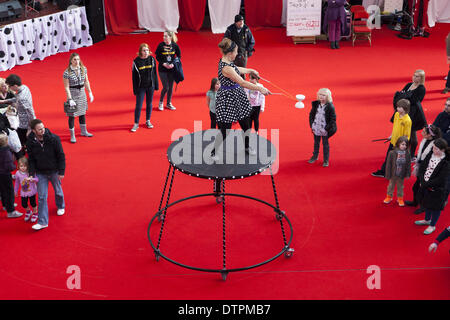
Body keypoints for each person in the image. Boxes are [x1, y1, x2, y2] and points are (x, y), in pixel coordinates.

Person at [211, 38, 269, 160]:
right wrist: (260, 89)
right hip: (227, 98)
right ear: (230, 53)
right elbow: (242, 82)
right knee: (225, 130)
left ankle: (247, 146)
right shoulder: (226, 68)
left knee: (246, 124)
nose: (237, 54)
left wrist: (250, 70)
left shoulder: (227, 62)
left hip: (237, 95)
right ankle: (213, 151)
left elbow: (237, 69)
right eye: (236, 52)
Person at [26, 119, 65, 231]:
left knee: (58, 191)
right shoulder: (30, 142)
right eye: (39, 129)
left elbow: (61, 155)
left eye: (43, 128)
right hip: (40, 172)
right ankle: (43, 222)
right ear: (33, 131)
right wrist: (32, 174)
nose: (42, 130)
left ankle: (61, 205)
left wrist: (61, 171)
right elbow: (31, 159)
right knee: (42, 197)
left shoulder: (54, 139)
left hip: (54, 171)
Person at [414, 138, 449, 235]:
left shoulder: (446, 162)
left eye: (436, 148)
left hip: (437, 189)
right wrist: (421, 180)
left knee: (435, 208)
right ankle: (427, 220)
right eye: (433, 148)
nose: (433, 150)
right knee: (426, 204)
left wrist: (425, 184)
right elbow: (422, 168)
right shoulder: (430, 154)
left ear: (442, 150)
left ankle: (432, 225)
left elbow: (441, 179)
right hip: (425, 185)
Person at [405, 125, 442, 213]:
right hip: (421, 167)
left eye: (424, 132)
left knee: (423, 189)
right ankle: (416, 202)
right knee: (416, 187)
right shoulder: (425, 140)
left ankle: (423, 206)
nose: (422, 133)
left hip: (428, 169)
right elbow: (421, 153)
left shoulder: (435, 146)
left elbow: (433, 159)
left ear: (430, 135)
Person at [372, 99, 412, 177]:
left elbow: (407, 135)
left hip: (399, 144)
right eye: (397, 106)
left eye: (399, 107)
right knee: (389, 157)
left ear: (404, 108)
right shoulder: (396, 114)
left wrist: (402, 145)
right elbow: (395, 127)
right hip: (393, 141)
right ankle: (385, 171)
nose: (397, 108)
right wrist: (391, 135)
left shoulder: (407, 121)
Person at [393, 70, 427, 157]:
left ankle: (411, 154)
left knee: (412, 134)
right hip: (404, 111)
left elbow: (414, 100)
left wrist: (405, 96)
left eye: (417, 76)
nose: (414, 77)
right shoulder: (409, 85)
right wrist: (404, 97)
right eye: (414, 75)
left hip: (413, 113)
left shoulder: (421, 89)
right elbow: (402, 95)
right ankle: (403, 149)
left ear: (421, 78)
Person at [63, 52, 94, 143]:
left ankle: (84, 131)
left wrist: (90, 92)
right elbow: (66, 87)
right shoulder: (67, 72)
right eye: (74, 60)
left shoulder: (83, 69)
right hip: (73, 93)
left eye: (78, 59)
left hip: (82, 93)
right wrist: (70, 98)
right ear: (71, 61)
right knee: (72, 115)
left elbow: (86, 81)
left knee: (82, 112)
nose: (77, 61)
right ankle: (72, 135)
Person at [131, 43, 159, 132]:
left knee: (149, 103)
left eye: (147, 50)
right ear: (140, 52)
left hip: (150, 86)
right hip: (140, 87)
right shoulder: (136, 62)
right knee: (138, 106)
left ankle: (148, 121)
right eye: (144, 50)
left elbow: (155, 73)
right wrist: (135, 90)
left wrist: (156, 85)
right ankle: (136, 124)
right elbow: (134, 77)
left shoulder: (152, 59)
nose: (146, 52)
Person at [308, 88, 337, 167]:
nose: (321, 96)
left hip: (324, 129)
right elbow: (311, 115)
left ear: (327, 96)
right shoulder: (316, 104)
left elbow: (333, 119)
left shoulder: (330, 106)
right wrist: (312, 125)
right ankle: (315, 156)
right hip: (316, 127)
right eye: (320, 94)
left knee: (325, 144)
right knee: (316, 143)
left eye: (324, 95)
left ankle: (326, 160)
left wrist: (326, 129)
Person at [5, 74, 35, 148]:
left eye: (9, 86)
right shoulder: (24, 87)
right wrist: (3, 101)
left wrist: (30, 128)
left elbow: (31, 113)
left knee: (22, 141)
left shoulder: (22, 98)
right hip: (22, 121)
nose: (8, 88)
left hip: (25, 124)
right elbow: (16, 99)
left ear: (15, 86)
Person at [155, 31, 181, 111]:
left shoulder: (175, 45)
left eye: (166, 36)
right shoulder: (160, 45)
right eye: (163, 36)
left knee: (171, 87)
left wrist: (173, 64)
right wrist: (163, 63)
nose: (164, 37)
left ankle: (169, 103)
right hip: (162, 69)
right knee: (166, 87)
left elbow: (178, 56)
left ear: (170, 37)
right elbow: (157, 56)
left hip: (171, 69)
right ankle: (161, 102)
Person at [383, 136, 411, 206]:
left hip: (401, 174)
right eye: (402, 144)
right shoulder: (392, 153)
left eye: (405, 145)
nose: (404, 146)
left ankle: (400, 198)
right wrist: (387, 174)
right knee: (391, 186)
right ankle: (389, 196)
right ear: (398, 144)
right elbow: (388, 165)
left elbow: (408, 165)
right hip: (393, 173)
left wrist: (408, 174)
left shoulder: (407, 154)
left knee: (400, 187)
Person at [0, 133, 22, 218]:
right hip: (5, 174)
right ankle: (11, 210)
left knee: (2, 190)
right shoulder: (6, 152)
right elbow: (9, 166)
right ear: (6, 141)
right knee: (9, 191)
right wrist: (14, 167)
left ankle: (6, 205)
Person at [14, 157, 38, 223]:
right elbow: (17, 183)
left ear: (28, 166)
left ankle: (35, 213)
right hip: (23, 192)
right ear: (18, 166)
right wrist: (15, 191)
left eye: (25, 166)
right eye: (21, 166)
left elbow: (37, 179)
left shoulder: (30, 173)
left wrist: (32, 179)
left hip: (31, 191)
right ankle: (28, 211)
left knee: (33, 203)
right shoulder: (17, 173)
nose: (23, 167)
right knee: (23, 204)